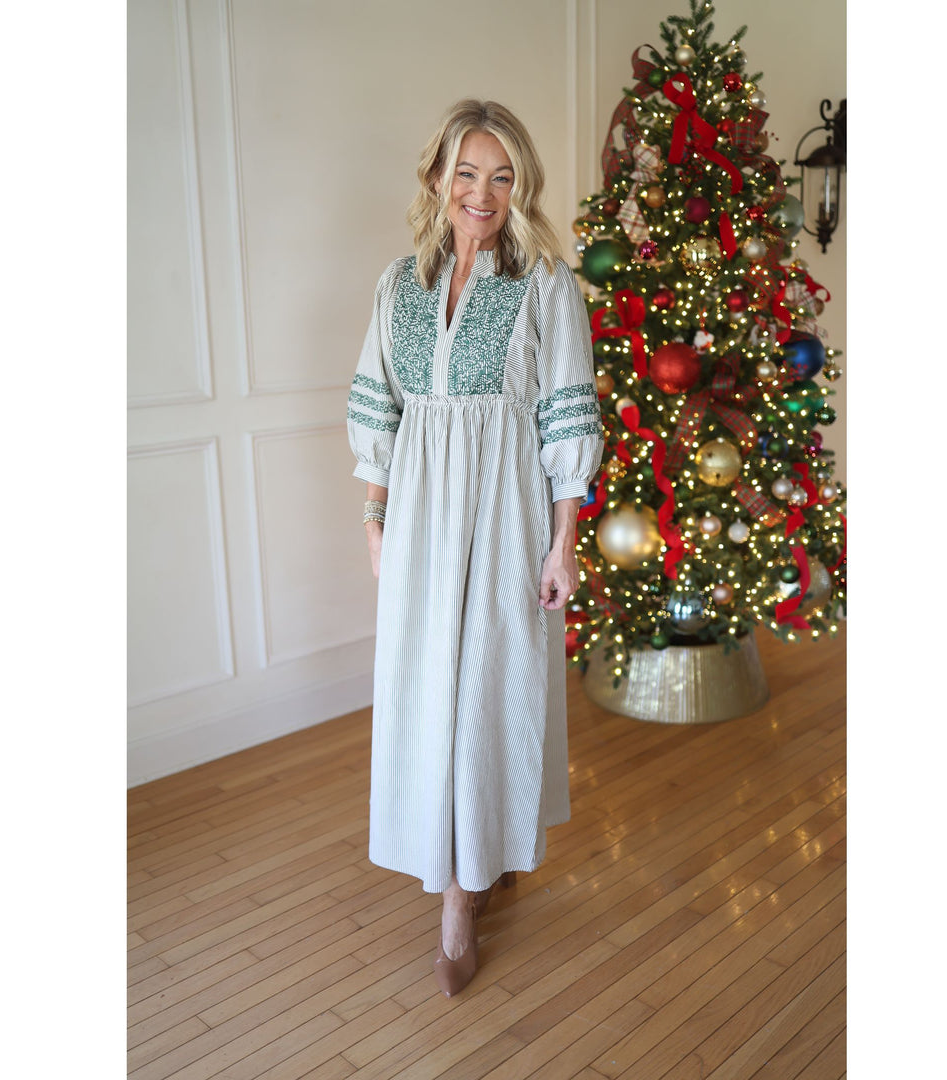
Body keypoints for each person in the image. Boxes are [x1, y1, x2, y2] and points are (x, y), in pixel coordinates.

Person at [347, 99, 603, 997]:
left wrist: (563, 543)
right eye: (466, 173)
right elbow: (377, 403)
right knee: (427, 694)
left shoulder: (545, 285)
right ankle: (453, 859)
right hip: (419, 518)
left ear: (519, 186)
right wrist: (375, 520)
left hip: (507, 516)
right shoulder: (398, 285)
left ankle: (463, 900)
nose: (482, 193)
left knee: (491, 693)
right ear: (437, 178)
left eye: (501, 177)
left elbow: (567, 414)